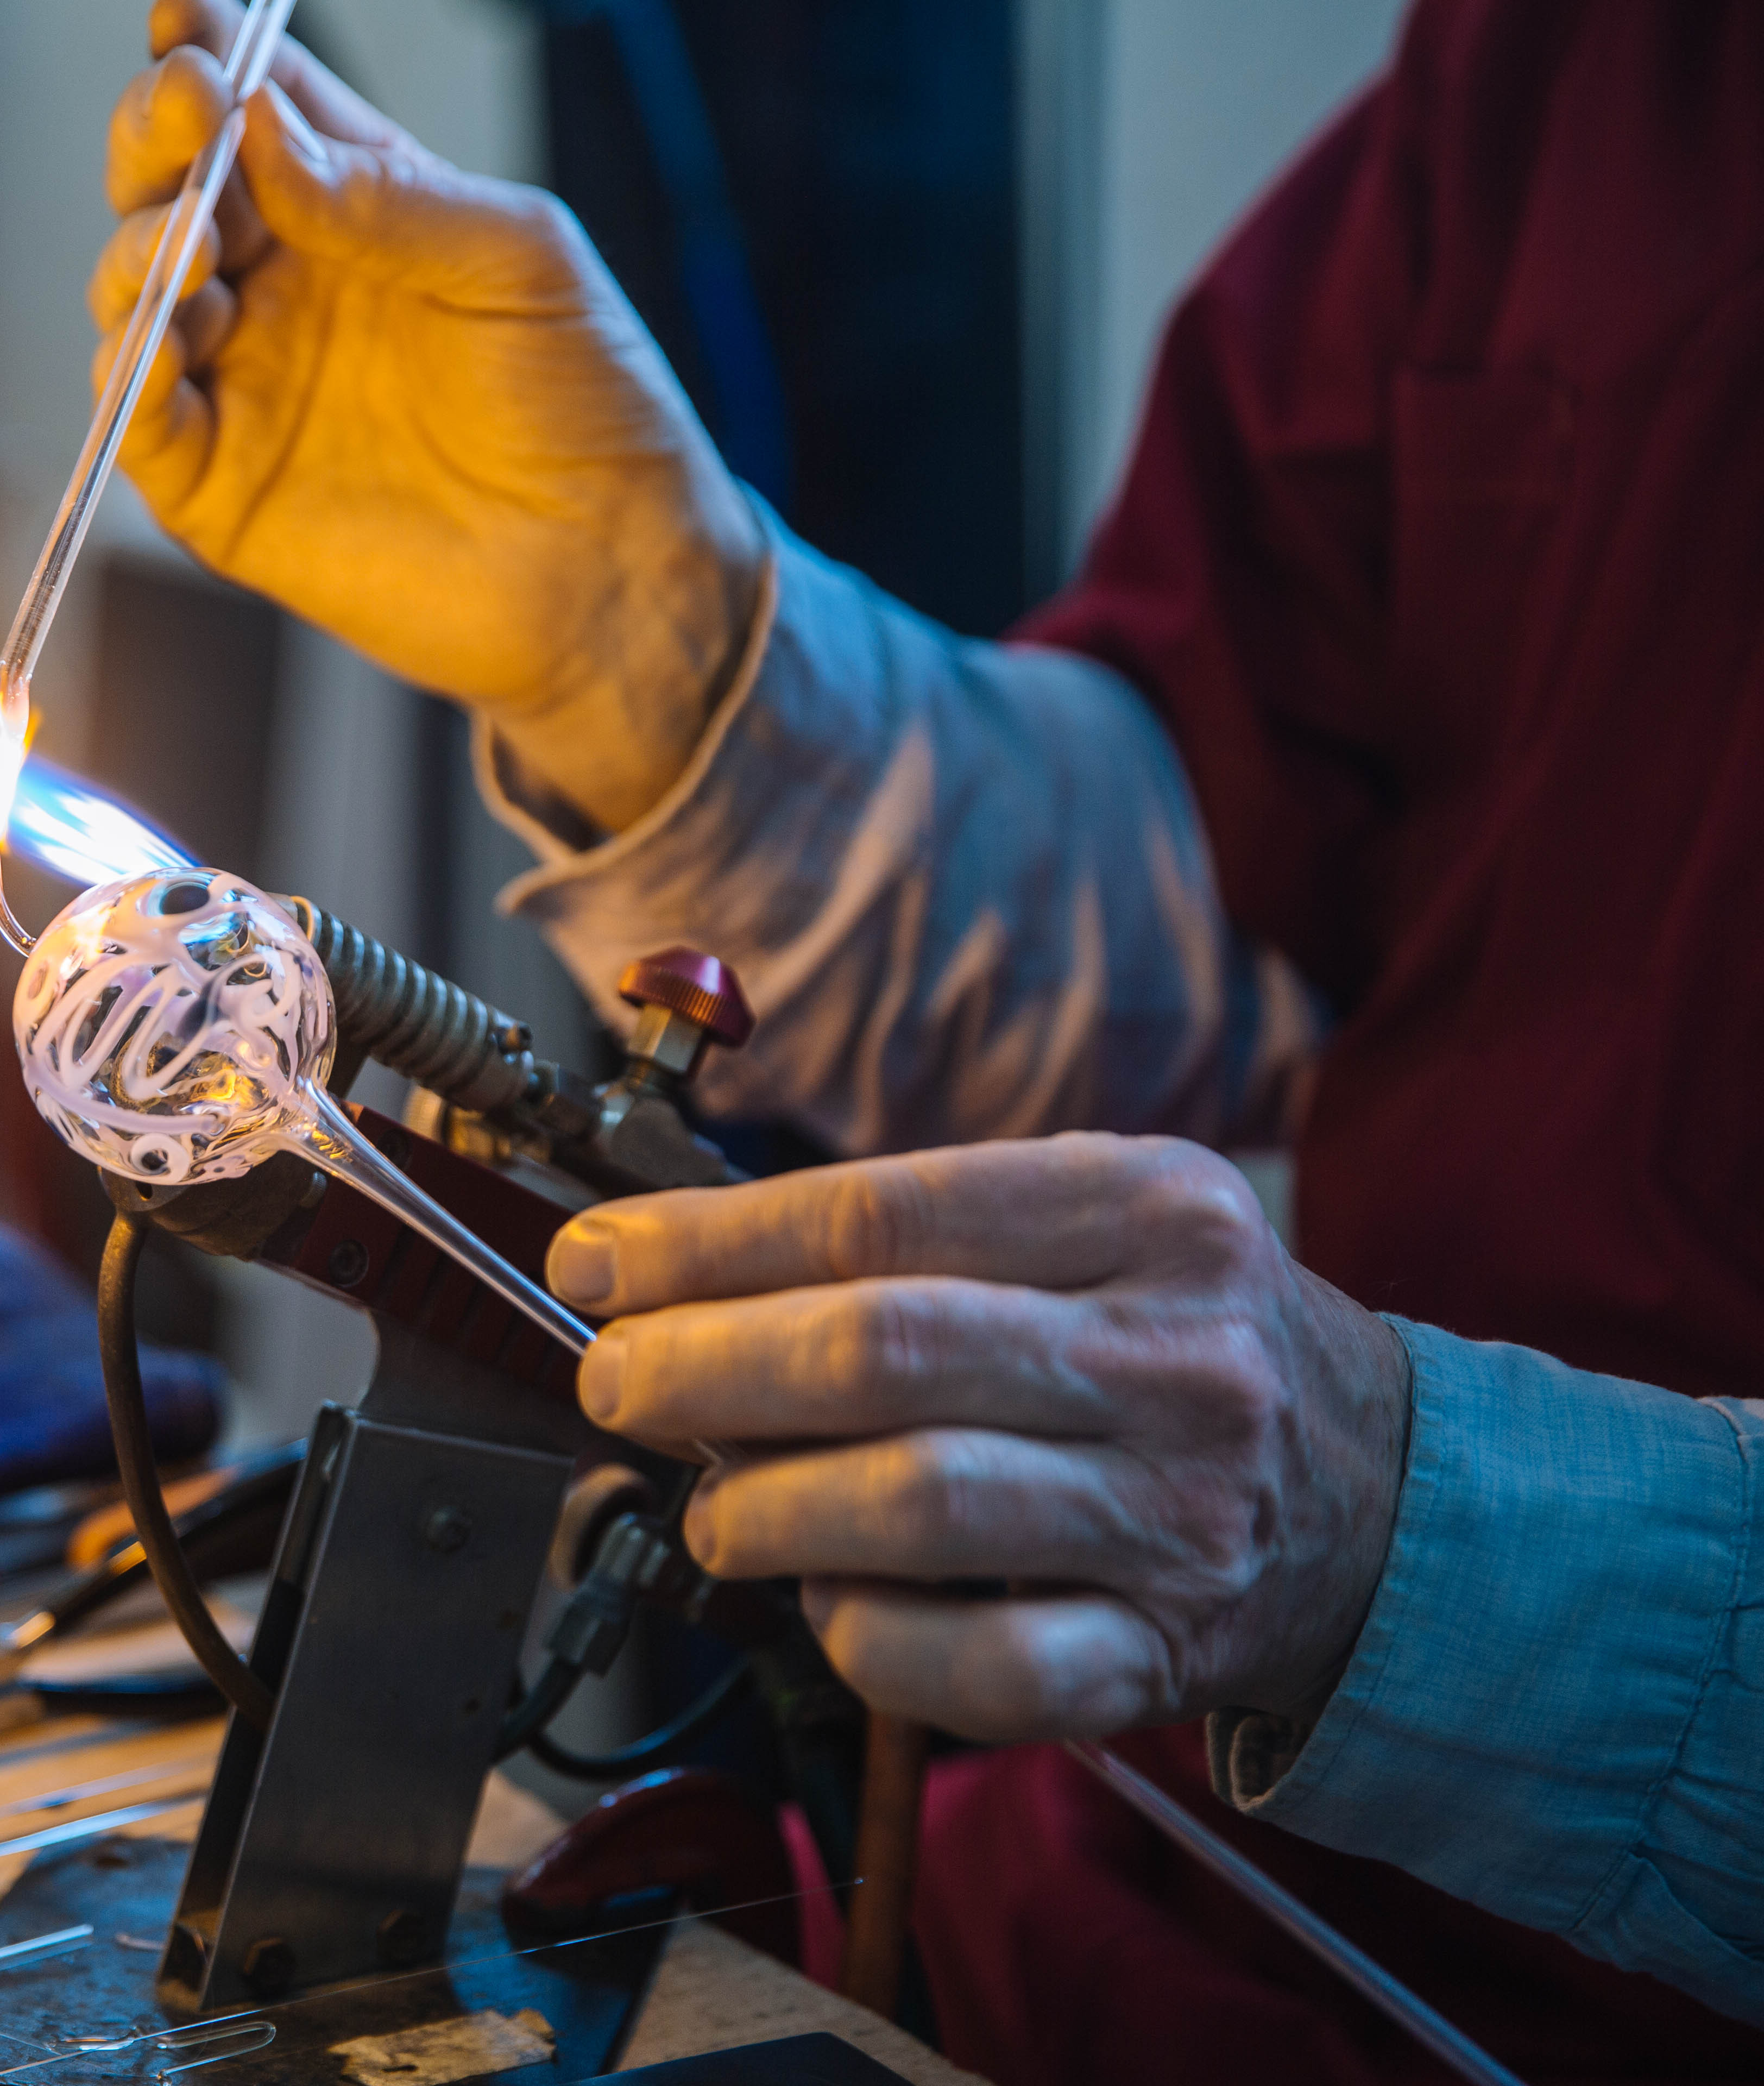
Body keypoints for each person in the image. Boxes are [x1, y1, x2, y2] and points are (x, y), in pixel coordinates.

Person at [92, 3, 1764, 2079]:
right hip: (1106, 1915)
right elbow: (1216, 911)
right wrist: (671, 652)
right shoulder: (1587, 73)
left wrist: (1395, 1538)